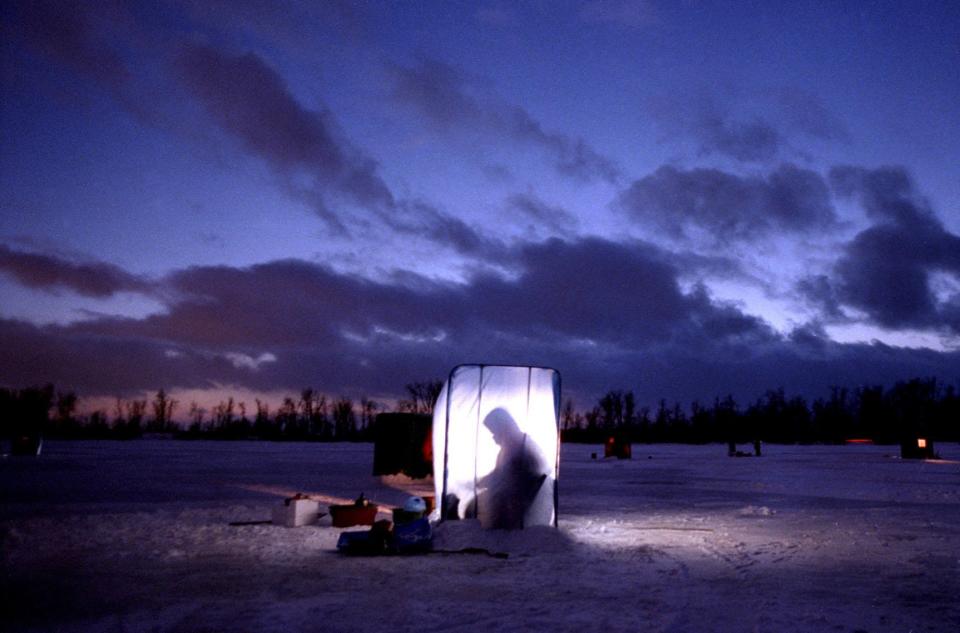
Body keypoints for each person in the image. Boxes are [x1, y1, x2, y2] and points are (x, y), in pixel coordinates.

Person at [475, 408, 547, 529]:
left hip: (516, 505)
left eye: (494, 431)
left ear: (502, 428)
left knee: (474, 507)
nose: (493, 436)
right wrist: (482, 481)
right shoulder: (514, 444)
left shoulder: (518, 446)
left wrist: (485, 483)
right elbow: (501, 473)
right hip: (513, 499)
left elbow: (508, 476)